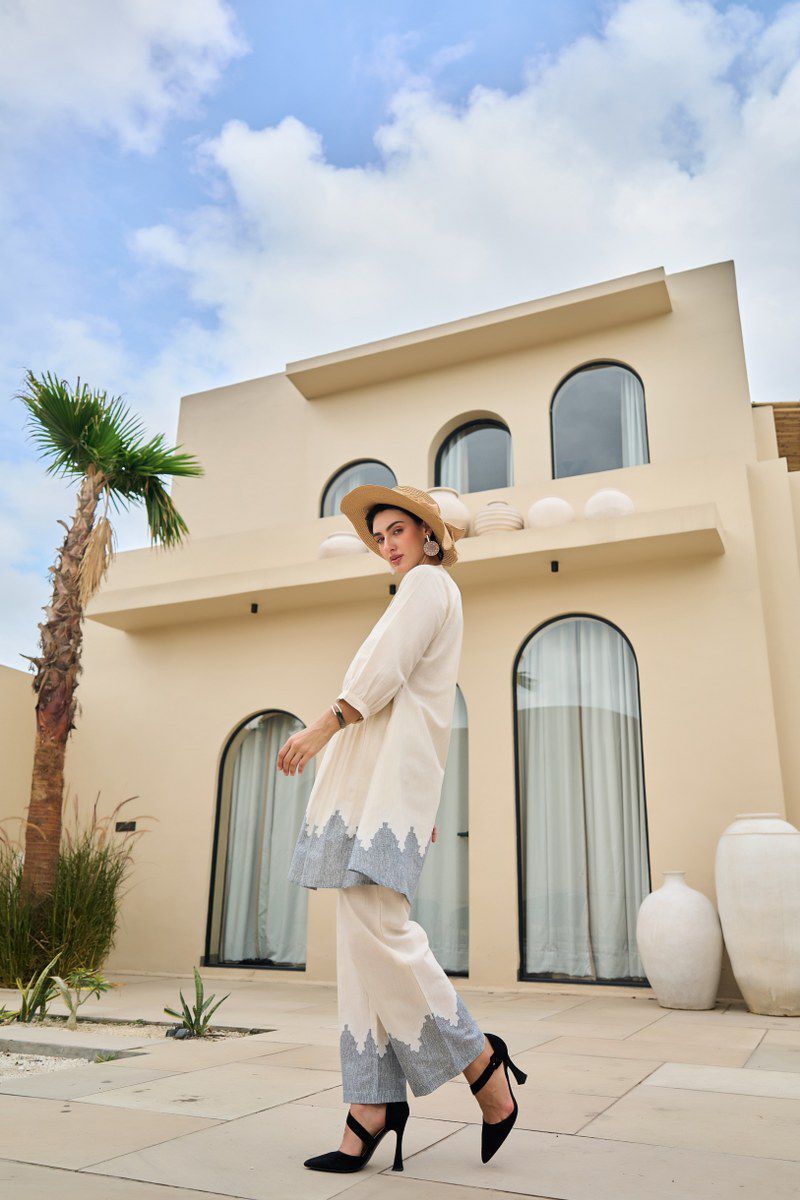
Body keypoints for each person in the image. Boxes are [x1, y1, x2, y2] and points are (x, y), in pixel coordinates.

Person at [278, 484, 527, 1173]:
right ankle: (369, 1105)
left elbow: (385, 679)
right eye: (379, 534)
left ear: (428, 535)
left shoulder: (425, 587)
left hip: (382, 791)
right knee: (360, 941)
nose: (388, 544)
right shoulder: (418, 594)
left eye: (398, 530)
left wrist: (322, 727)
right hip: (383, 788)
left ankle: (482, 1063)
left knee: (378, 931)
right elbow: (421, 706)